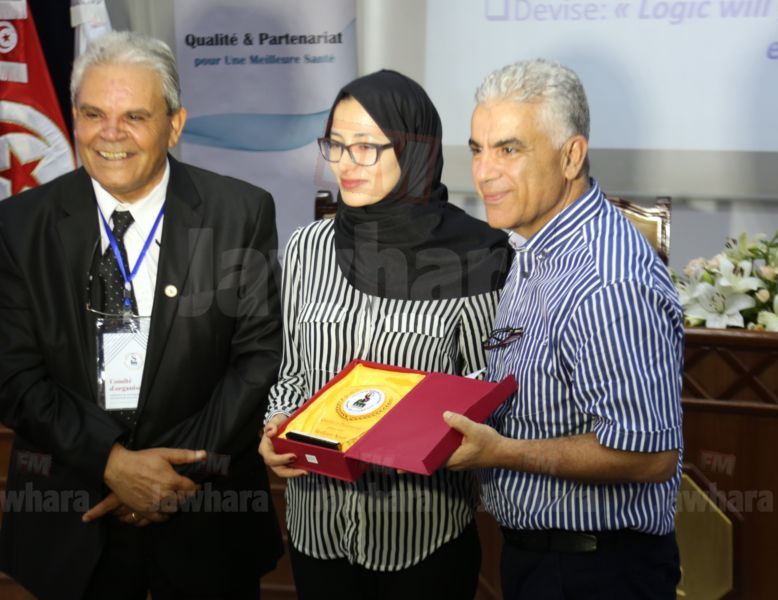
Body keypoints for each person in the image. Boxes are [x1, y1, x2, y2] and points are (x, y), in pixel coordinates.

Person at [0, 31, 283, 600]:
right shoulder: (19, 226)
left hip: (205, 517)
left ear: (175, 124)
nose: (110, 134)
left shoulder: (240, 212)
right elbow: (14, 379)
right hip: (73, 520)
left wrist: (168, 476)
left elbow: (257, 360)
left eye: (134, 117)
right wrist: (113, 463)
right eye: (93, 114)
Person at [257, 70, 511, 599]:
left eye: (366, 147)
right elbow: (291, 372)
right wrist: (275, 425)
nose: (345, 164)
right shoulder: (307, 248)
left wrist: (427, 435)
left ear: (413, 152)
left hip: (422, 535)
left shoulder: (475, 255)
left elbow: (488, 388)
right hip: (318, 528)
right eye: (335, 145)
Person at [444, 59, 684, 599]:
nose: (483, 173)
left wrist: (500, 452)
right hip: (545, 561)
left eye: (509, 150)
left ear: (571, 156)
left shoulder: (607, 281)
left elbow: (649, 455)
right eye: (478, 150)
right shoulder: (535, 246)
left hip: (595, 572)